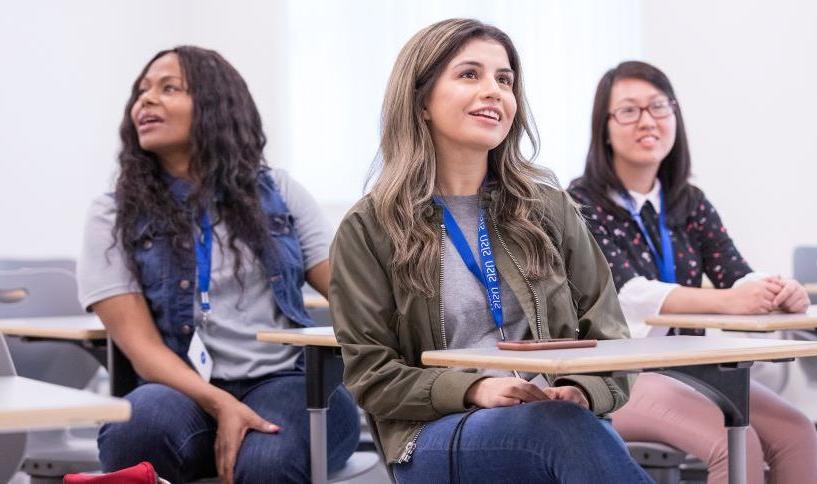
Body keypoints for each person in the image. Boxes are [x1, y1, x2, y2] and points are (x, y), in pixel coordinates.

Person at [329, 19, 653, 483]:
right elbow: (372, 376)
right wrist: (475, 387)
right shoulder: (370, 227)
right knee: (558, 431)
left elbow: (610, 333)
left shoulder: (548, 207)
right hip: (435, 431)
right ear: (421, 102)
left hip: (557, 419)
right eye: (469, 75)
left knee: (563, 426)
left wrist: (583, 391)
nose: (494, 91)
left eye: (504, 80)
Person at [77, 46, 359, 484]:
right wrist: (221, 404)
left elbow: (350, 294)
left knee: (267, 462)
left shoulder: (280, 191)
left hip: (287, 380)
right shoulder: (112, 213)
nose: (146, 101)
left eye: (169, 88)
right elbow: (143, 350)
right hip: (182, 389)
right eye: (141, 91)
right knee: (135, 429)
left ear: (216, 105)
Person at [569, 60, 817, 484]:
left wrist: (778, 290)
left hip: (692, 368)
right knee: (737, 443)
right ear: (604, 128)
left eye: (658, 107)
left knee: (798, 433)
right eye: (629, 110)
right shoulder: (580, 202)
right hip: (619, 376)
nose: (647, 121)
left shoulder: (689, 201)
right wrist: (730, 301)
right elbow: (625, 292)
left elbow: (736, 273)